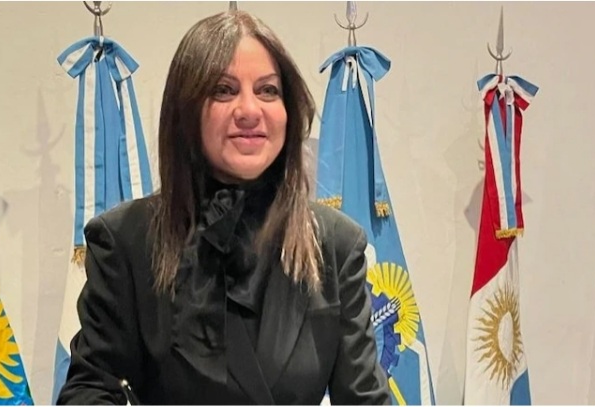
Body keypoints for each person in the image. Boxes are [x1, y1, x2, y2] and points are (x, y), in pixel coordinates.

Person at [57, 9, 391, 405]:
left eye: (268, 90)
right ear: (185, 110)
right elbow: (89, 391)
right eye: (223, 90)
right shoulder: (125, 241)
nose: (249, 110)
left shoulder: (336, 244)